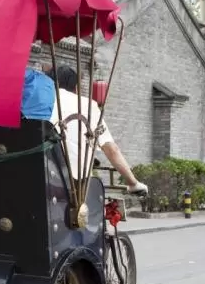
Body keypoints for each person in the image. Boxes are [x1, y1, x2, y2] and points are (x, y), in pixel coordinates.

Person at [46, 65, 148, 200]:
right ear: (76, 87)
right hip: (75, 183)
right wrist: (133, 182)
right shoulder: (87, 105)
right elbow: (111, 150)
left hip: (42, 175)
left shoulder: (37, 102)